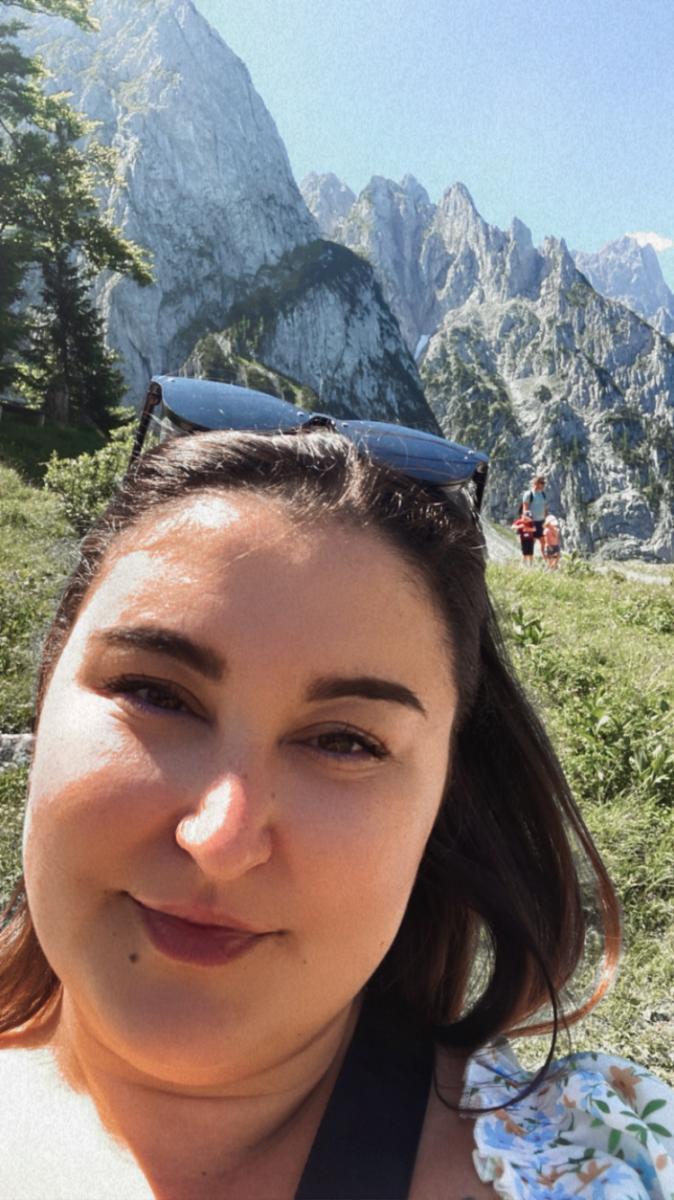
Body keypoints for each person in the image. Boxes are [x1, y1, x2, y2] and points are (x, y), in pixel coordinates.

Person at [1, 425, 672, 1200]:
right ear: (45, 693)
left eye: (344, 742)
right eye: (155, 694)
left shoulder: (594, 1172)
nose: (221, 839)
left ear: (443, 801)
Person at [522, 474, 548, 556]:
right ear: (536, 483)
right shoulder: (529, 494)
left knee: (544, 542)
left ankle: (546, 560)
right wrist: (528, 522)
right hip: (532, 522)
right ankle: (528, 561)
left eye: (544, 483)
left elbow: (545, 508)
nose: (543, 485)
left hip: (541, 522)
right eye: (542, 483)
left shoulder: (543, 494)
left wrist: (546, 520)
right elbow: (525, 509)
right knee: (531, 542)